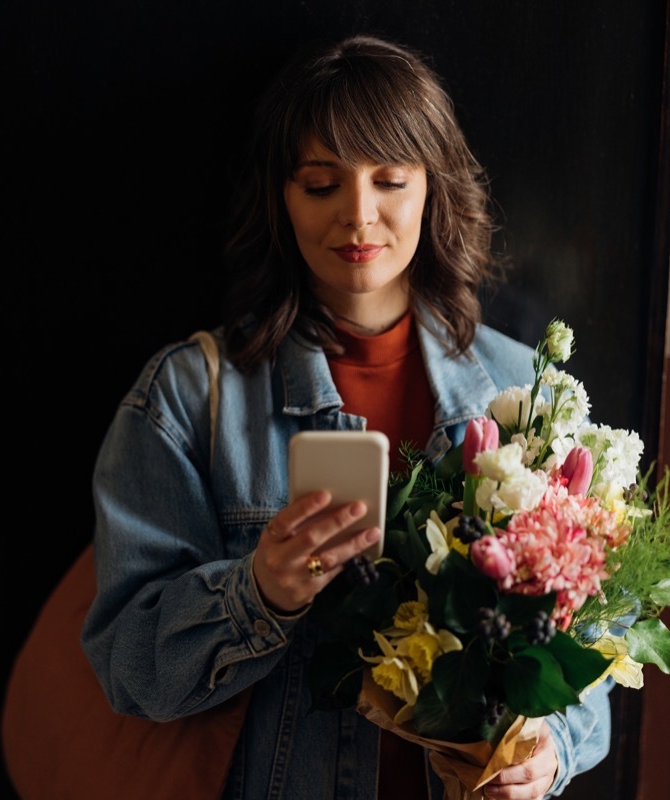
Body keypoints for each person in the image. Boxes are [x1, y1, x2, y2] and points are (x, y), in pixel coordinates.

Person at [82, 34, 613, 800]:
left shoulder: (519, 388)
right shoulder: (191, 396)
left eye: (391, 179)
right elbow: (129, 668)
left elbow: (595, 639)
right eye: (321, 184)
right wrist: (257, 593)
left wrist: (550, 752)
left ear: (432, 187)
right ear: (281, 197)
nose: (359, 217)